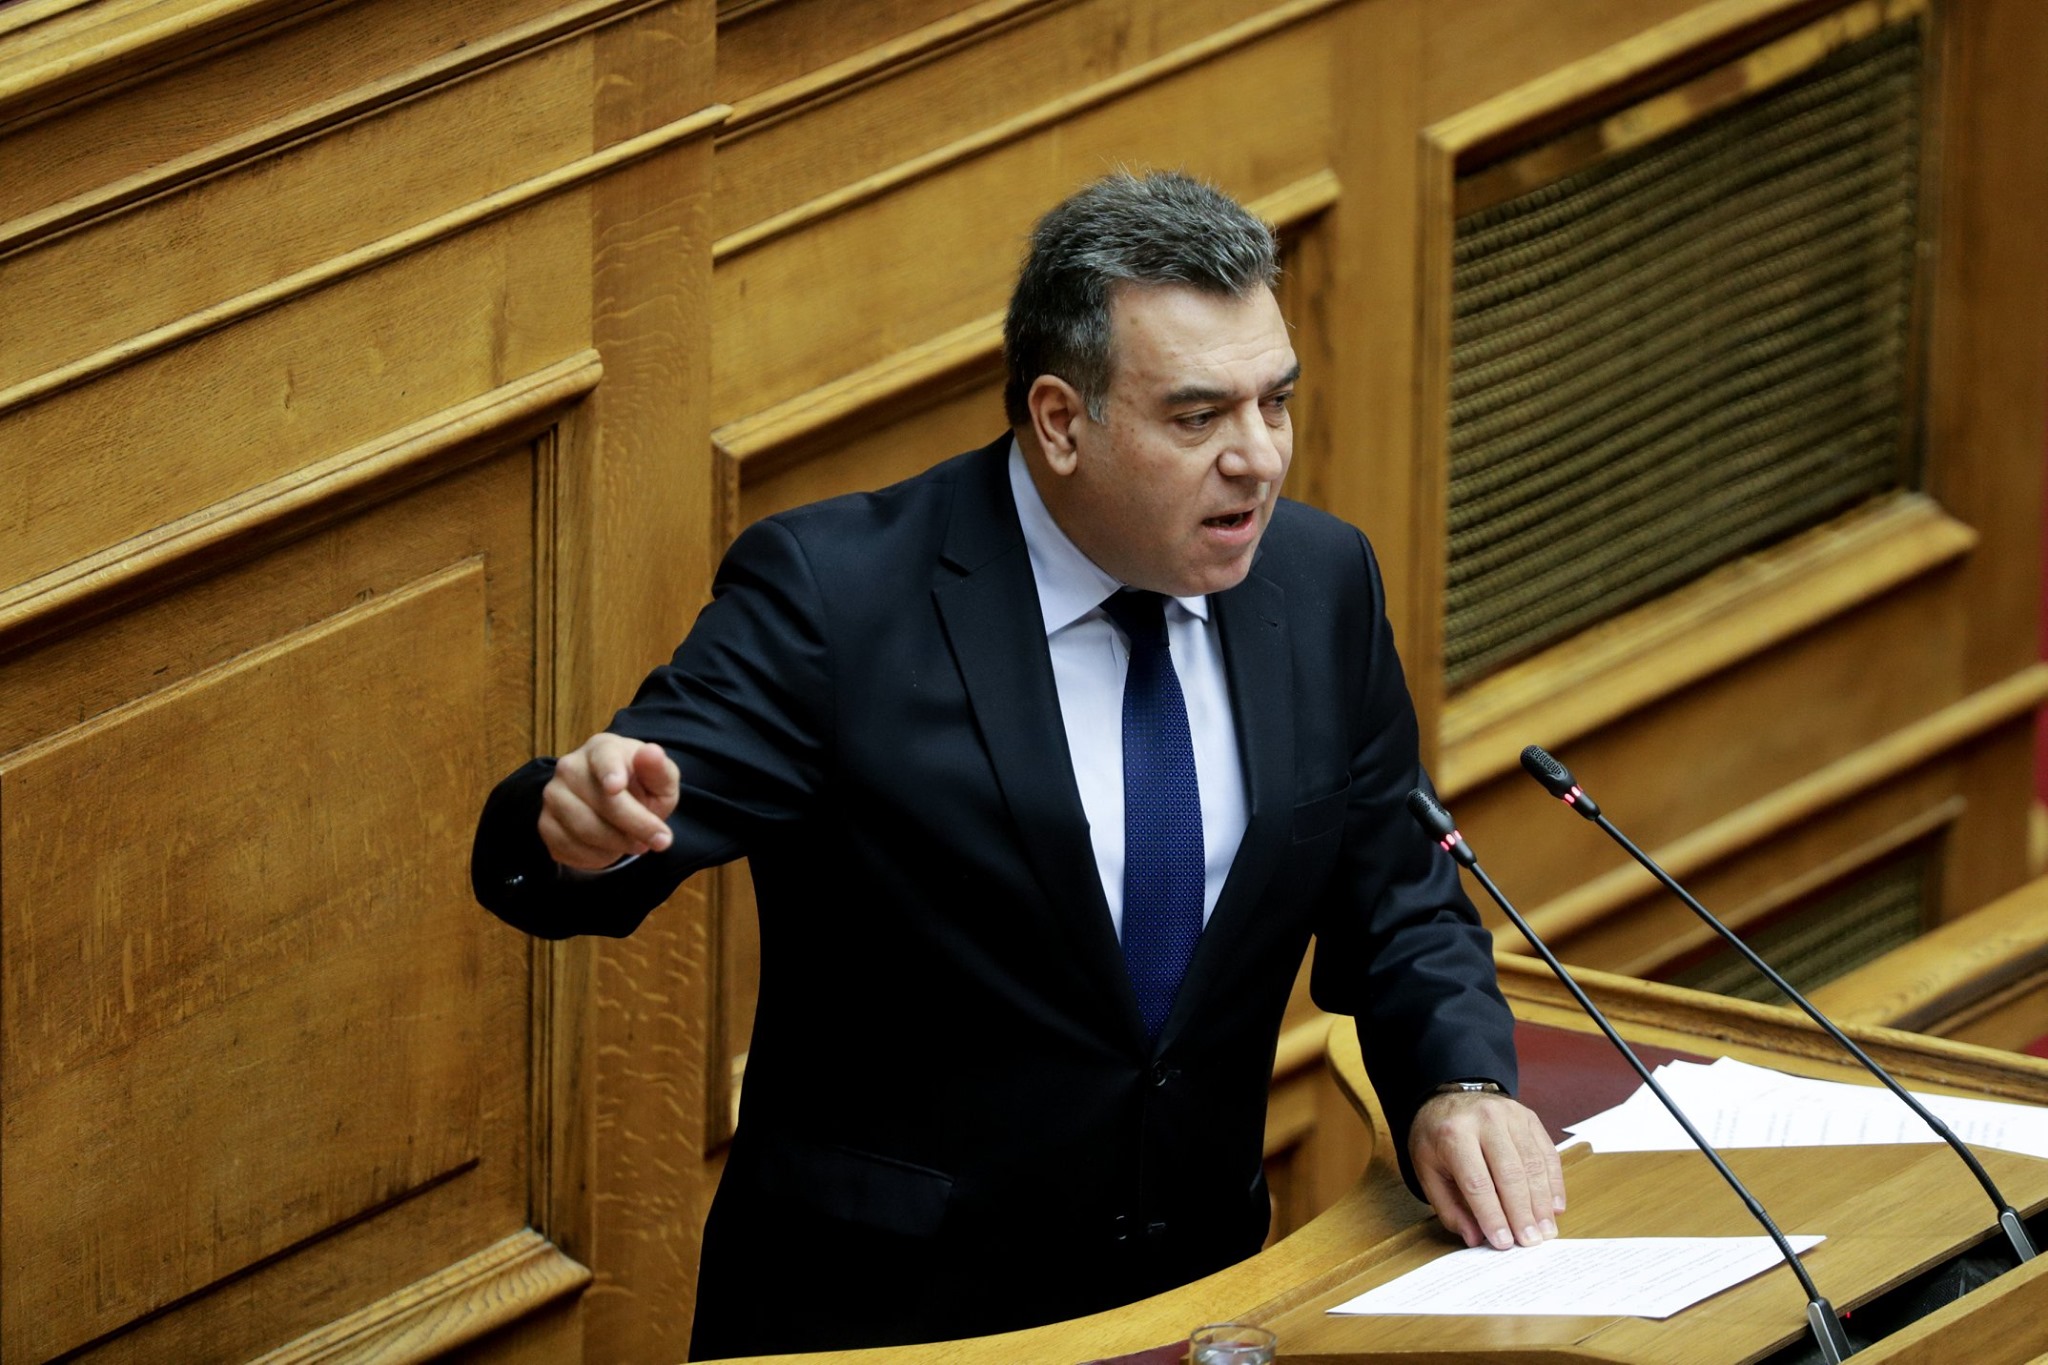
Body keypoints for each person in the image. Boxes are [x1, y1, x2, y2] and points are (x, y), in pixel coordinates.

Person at [472, 170, 1563, 1359]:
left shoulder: (1317, 582)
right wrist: (571, 829)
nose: (1257, 458)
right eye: (1197, 418)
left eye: (1275, 403)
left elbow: (1400, 901)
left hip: (1190, 1304)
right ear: (1058, 421)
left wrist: (1457, 1083)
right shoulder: (841, 597)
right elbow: (633, 806)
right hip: (888, 1326)